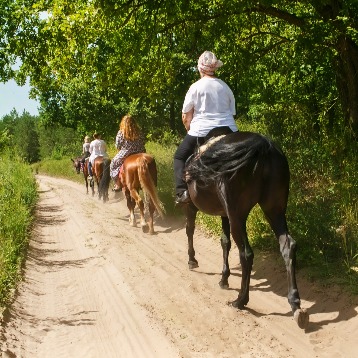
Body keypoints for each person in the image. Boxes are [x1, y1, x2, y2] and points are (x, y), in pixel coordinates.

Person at [174, 50, 238, 205]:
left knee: (179, 156)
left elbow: (186, 116)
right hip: (229, 131)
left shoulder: (195, 87)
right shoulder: (225, 87)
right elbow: (232, 113)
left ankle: (181, 192)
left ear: (200, 68)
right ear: (214, 68)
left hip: (202, 131)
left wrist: (189, 129)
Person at [110, 114, 146, 190]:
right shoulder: (139, 131)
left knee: (113, 163)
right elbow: (143, 141)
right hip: (140, 152)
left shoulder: (121, 132)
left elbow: (118, 145)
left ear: (123, 123)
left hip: (126, 153)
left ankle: (117, 184)